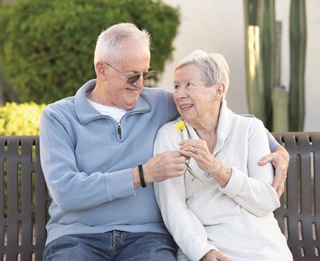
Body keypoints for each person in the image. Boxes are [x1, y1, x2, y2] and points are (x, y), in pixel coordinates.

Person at [39, 23, 289, 261]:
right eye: (132, 76)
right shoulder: (59, 117)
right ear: (102, 69)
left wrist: (275, 146)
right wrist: (141, 174)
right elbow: (67, 192)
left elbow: (212, 109)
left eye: (146, 74)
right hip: (78, 236)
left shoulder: (155, 103)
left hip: (145, 237)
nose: (140, 85)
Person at [153, 50, 293, 261]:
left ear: (218, 91)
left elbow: (266, 200)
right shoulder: (169, 136)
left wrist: (217, 169)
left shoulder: (250, 129)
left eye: (189, 85)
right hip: (207, 244)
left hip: (261, 245)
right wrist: (201, 251)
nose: (180, 94)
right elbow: (173, 207)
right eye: (176, 86)